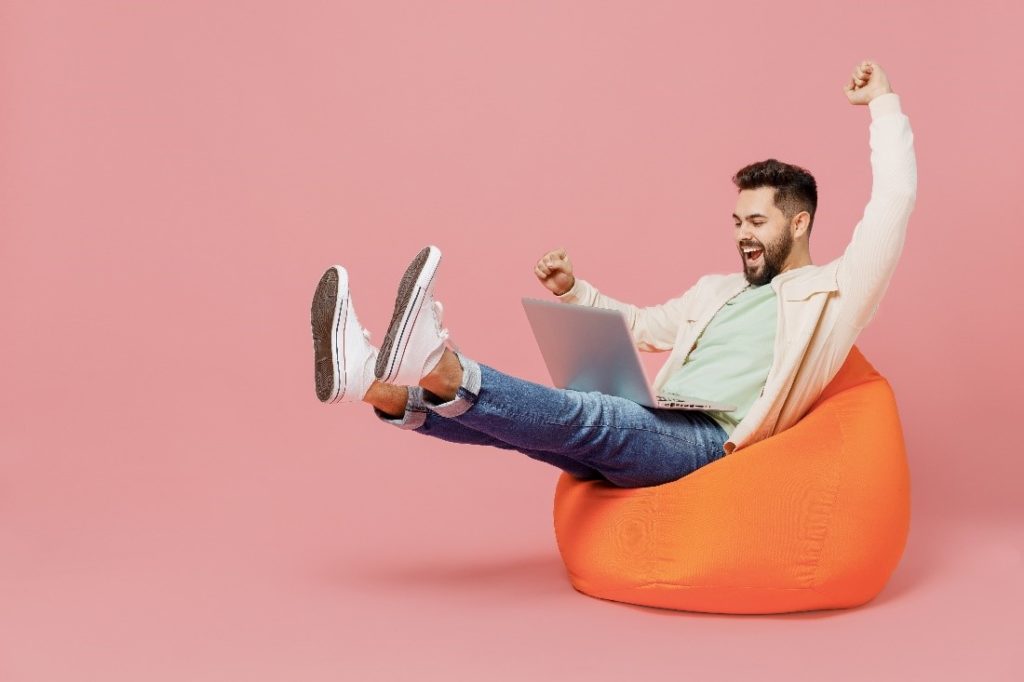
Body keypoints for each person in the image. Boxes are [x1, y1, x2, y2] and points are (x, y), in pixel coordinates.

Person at [310, 60, 917, 488]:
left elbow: (893, 202)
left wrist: (883, 105)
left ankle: (441, 362)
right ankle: (373, 383)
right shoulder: (719, 291)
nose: (741, 235)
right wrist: (576, 292)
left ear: (801, 222)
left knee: (596, 416)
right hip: (663, 421)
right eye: (736, 221)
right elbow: (643, 326)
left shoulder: (831, 295)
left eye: (756, 221)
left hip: (711, 446)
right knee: (527, 434)